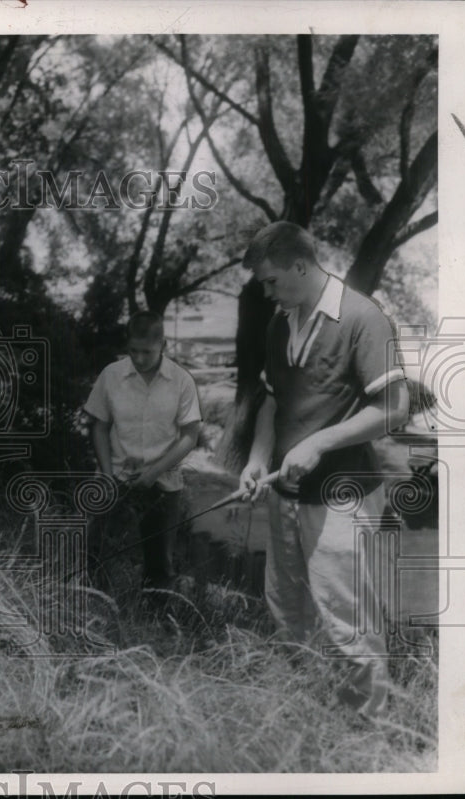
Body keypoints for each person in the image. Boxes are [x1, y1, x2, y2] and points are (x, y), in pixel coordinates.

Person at [238, 221, 409, 717]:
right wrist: (255, 460)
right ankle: (314, 712)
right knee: (290, 610)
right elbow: (272, 404)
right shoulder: (279, 323)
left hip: (343, 496)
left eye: (271, 281)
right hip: (285, 496)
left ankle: (370, 732)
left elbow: (394, 408)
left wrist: (318, 442)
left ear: (300, 265)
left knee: (347, 618)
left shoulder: (362, 316)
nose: (266, 292)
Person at [84, 311, 202, 598]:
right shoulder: (111, 376)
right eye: (133, 351)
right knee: (97, 554)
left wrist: (154, 472)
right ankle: (97, 611)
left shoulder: (181, 380)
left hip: (162, 483)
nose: (138, 358)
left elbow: (190, 437)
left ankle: (157, 622)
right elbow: (99, 427)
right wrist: (108, 476)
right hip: (115, 480)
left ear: (163, 344)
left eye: (146, 352)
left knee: (159, 563)